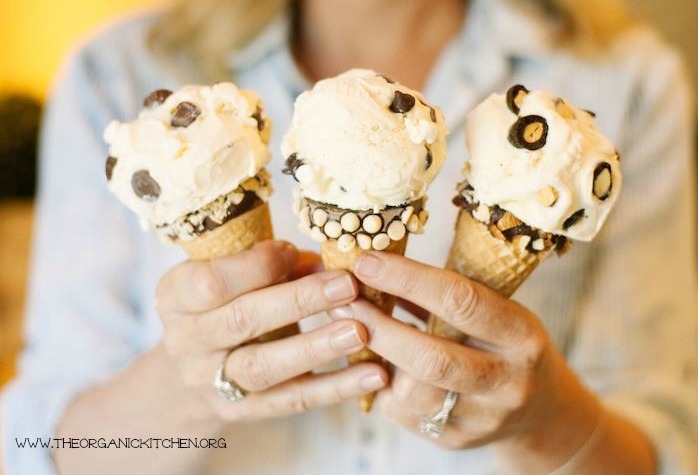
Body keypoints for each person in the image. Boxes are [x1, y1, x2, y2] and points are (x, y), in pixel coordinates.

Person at [2, 0, 697, 473]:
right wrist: (185, 388)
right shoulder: (117, 73)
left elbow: (668, 442)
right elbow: (28, 447)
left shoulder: (631, 82)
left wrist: (548, 421)